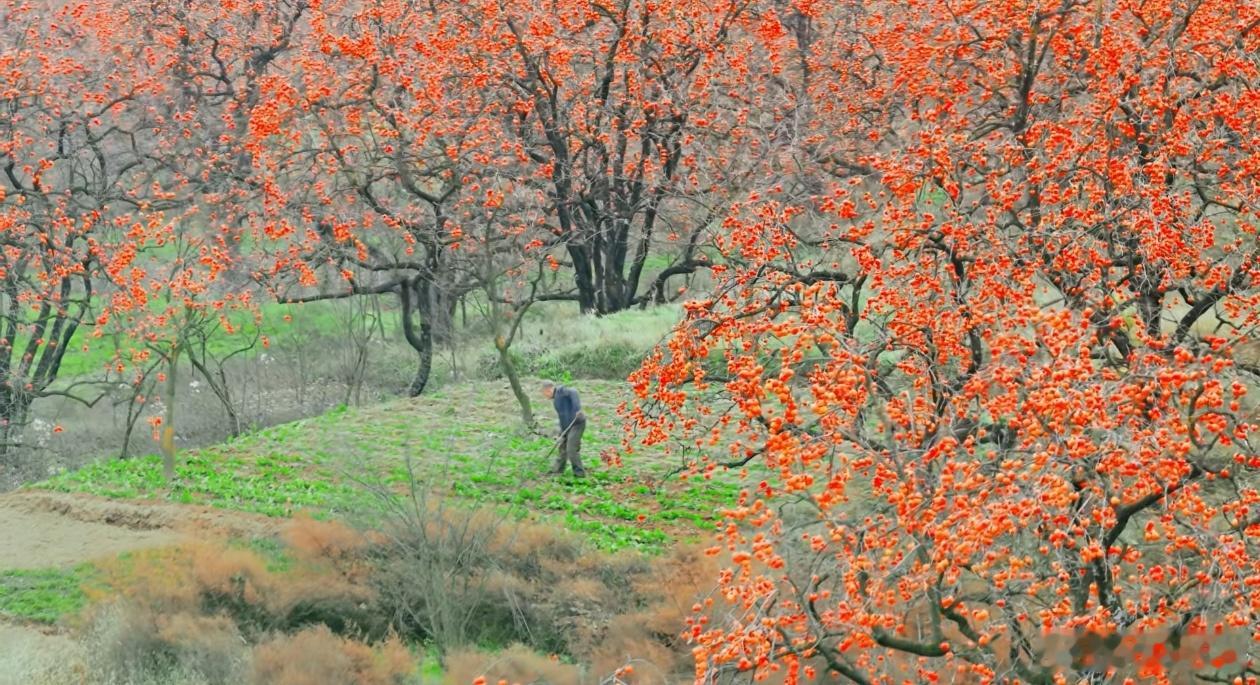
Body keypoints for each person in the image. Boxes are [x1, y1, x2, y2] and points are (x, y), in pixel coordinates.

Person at [542, 380, 586, 477]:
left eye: (544, 393)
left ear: (547, 390)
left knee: (571, 449)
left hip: (577, 424)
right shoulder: (556, 399)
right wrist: (561, 433)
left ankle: (580, 475)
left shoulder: (561, 391)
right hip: (567, 426)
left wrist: (577, 410)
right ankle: (557, 471)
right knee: (562, 447)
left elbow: (574, 392)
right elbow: (563, 416)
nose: (545, 396)